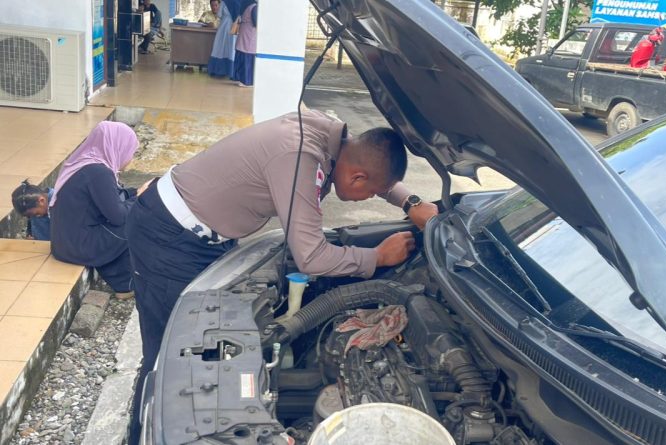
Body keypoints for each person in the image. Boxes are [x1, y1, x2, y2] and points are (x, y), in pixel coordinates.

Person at [124, 109, 437, 443]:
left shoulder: (333, 137)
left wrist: (410, 201)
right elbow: (312, 256)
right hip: (169, 238)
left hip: (202, 232)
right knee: (170, 360)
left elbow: (373, 167)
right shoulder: (300, 158)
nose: (372, 197)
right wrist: (377, 257)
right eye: (373, 193)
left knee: (204, 352)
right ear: (357, 178)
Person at [49, 121, 146, 299]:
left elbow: (111, 197)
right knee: (137, 219)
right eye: (130, 151)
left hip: (64, 244)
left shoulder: (84, 163)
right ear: (117, 147)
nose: (130, 158)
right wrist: (140, 198)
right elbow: (118, 216)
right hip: (78, 247)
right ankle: (124, 285)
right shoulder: (98, 172)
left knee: (125, 216)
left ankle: (124, 281)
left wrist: (134, 193)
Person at [208, 0, 239, 78]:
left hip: (224, 26)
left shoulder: (224, 1)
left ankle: (218, 71)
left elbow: (219, 14)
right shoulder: (240, 2)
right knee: (231, 50)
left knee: (219, 49)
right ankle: (231, 72)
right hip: (234, 27)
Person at [232, 0, 257, 87]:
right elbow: (256, 22)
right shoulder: (254, 7)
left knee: (242, 55)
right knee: (248, 57)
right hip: (249, 35)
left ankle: (240, 79)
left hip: (243, 33)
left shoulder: (245, 6)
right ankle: (247, 81)